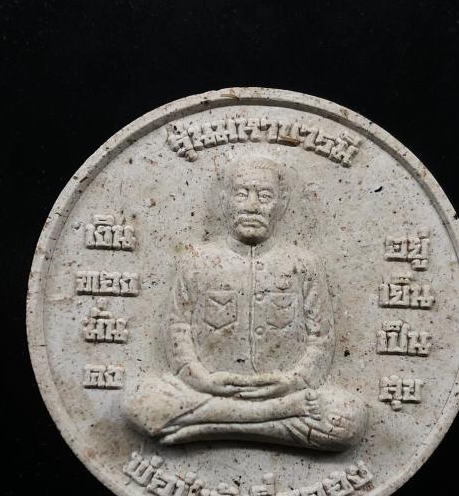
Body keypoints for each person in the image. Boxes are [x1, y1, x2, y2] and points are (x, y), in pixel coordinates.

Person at [123, 154, 367, 451]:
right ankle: (269, 419)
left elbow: (321, 337)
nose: (252, 206)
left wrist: (294, 381)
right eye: (241, 194)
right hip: (210, 392)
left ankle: (208, 426)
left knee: (348, 418)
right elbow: (178, 328)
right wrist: (201, 379)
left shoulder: (303, 264)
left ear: (281, 203)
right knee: (140, 400)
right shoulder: (197, 261)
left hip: (285, 393)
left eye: (264, 196)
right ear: (224, 201)